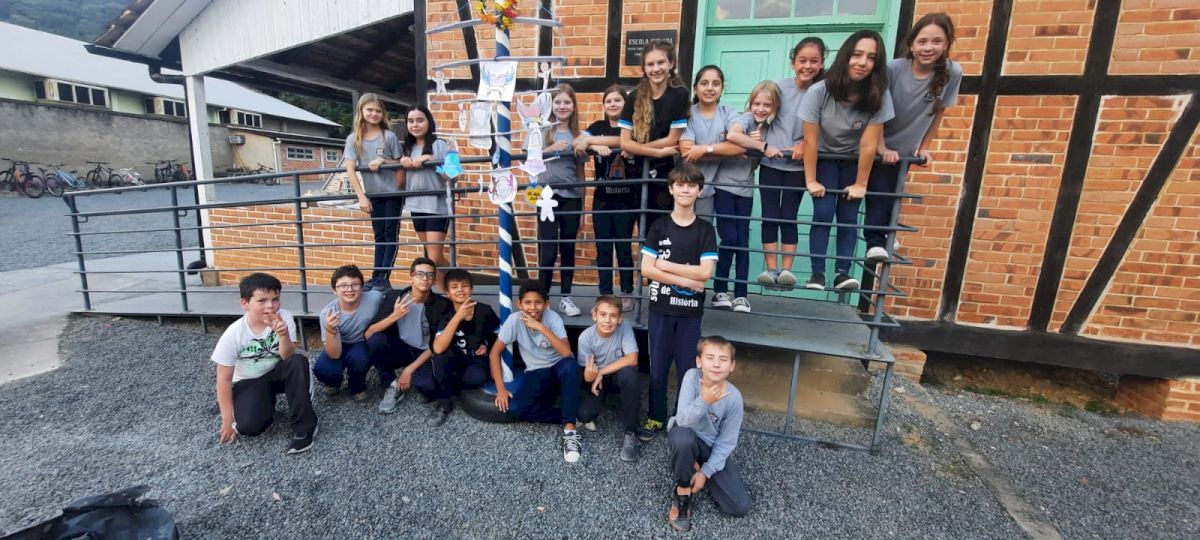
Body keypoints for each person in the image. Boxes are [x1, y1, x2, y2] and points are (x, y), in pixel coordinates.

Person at [799, 30, 895, 291]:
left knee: (849, 215)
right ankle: (817, 273)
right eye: (857, 55)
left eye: (871, 58)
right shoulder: (819, 91)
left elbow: (869, 143)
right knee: (823, 213)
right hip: (825, 157)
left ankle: (842, 273)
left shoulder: (879, 95)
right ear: (845, 56)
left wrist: (861, 184)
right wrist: (811, 180)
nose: (862, 62)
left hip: (854, 160)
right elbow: (810, 140)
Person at [868, 13, 962, 264]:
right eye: (922, 41)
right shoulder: (894, 69)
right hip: (878, 140)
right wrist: (881, 147)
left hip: (905, 147)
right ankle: (877, 239)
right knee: (879, 190)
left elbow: (939, 112)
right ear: (911, 44)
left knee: (892, 190)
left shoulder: (952, 72)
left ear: (946, 44)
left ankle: (885, 234)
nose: (928, 48)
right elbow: (877, 108)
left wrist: (924, 147)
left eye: (936, 41)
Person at [638, 163, 718, 441]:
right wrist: (688, 281)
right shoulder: (659, 227)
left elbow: (705, 273)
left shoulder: (705, 230)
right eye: (680, 185)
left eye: (691, 185)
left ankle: (682, 420)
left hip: (690, 313)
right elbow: (646, 270)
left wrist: (665, 265)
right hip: (661, 309)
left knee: (688, 371)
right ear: (671, 189)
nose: (685, 190)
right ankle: (655, 417)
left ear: (699, 191)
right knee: (658, 368)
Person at [211, 273, 317, 454]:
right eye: (262, 300)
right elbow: (223, 380)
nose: (270, 305)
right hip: (249, 382)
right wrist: (227, 421)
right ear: (245, 303)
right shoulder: (234, 333)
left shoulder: (284, 317)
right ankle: (264, 402)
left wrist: (283, 334)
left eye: (275, 299)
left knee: (298, 361)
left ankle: (305, 426)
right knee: (250, 427)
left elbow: (288, 356)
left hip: (277, 372)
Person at [679, 65, 752, 313]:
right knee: (685, 241)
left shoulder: (728, 112)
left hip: (710, 191)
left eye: (716, 83)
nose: (710, 88)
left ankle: (700, 290)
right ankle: (683, 291)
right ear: (695, 87)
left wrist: (705, 149)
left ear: (722, 88)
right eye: (704, 83)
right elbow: (687, 151)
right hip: (686, 187)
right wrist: (723, 148)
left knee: (704, 242)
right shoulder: (687, 114)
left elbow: (740, 146)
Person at [489, 281, 582, 463]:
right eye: (528, 302)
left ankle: (570, 429)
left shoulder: (553, 318)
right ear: (519, 304)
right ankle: (567, 414)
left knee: (570, 365)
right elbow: (494, 353)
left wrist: (541, 327)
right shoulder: (514, 320)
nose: (533, 307)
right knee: (515, 409)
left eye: (538, 302)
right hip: (536, 372)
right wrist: (501, 389)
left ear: (546, 304)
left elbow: (566, 353)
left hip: (559, 367)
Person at [666, 336, 749, 531]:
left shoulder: (734, 398)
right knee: (682, 438)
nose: (716, 364)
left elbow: (726, 443)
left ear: (732, 365)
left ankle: (696, 465)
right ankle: (683, 491)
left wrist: (706, 472)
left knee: (739, 506)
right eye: (710, 358)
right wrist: (704, 401)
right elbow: (682, 421)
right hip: (686, 434)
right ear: (699, 361)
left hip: (709, 448)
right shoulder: (692, 377)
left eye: (723, 359)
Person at [575, 85, 639, 312]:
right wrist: (594, 144)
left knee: (623, 247)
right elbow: (578, 142)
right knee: (603, 248)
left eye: (617, 100)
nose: (613, 104)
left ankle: (627, 292)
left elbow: (636, 143)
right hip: (602, 199)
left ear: (625, 103)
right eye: (608, 101)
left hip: (626, 199)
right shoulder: (598, 127)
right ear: (603, 105)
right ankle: (605, 294)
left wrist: (612, 144)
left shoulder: (631, 127)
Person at [365, 257, 452, 415]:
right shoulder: (395, 297)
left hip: (424, 352)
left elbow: (437, 344)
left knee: (429, 388)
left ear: (434, 281)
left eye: (430, 275)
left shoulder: (442, 305)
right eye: (420, 274)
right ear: (411, 277)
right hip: (401, 348)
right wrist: (394, 316)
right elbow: (368, 333)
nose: (424, 278)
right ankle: (391, 384)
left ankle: (415, 375)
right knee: (375, 341)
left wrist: (409, 370)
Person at [619, 40, 690, 230]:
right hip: (635, 173)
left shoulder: (679, 94)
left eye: (661, 62)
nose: (656, 69)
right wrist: (656, 152)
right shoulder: (633, 97)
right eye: (650, 64)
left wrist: (637, 149)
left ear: (671, 64)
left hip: (664, 174)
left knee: (659, 229)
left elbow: (672, 139)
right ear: (644, 68)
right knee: (635, 227)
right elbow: (624, 142)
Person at [536, 84, 588, 317]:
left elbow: (581, 174)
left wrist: (583, 209)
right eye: (557, 102)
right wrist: (551, 149)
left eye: (567, 102)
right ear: (551, 105)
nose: (562, 106)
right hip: (545, 197)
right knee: (548, 251)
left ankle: (566, 297)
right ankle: (543, 299)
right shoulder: (541, 131)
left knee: (568, 248)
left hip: (571, 199)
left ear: (574, 106)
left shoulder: (579, 136)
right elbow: (528, 160)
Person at [426, 268, 501, 426]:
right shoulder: (446, 313)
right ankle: (444, 403)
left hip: (476, 359)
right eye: (454, 287)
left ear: (471, 289)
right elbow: (438, 348)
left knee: (476, 378)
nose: (460, 290)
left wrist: (488, 346)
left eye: (464, 285)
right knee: (440, 357)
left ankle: (449, 386)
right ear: (448, 293)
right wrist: (458, 317)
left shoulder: (484, 310)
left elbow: (500, 336)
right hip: (455, 359)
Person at [346, 94, 404, 292]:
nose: (374, 114)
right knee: (379, 236)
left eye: (378, 110)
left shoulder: (389, 136)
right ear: (361, 111)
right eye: (370, 110)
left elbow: (400, 163)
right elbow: (350, 169)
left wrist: (383, 161)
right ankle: (375, 276)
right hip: (373, 194)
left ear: (383, 114)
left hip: (393, 193)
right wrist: (361, 196)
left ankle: (383, 277)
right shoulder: (354, 139)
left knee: (390, 234)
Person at [577, 295, 641, 462]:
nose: (607, 320)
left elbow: (632, 358)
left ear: (620, 318)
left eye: (613, 316)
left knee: (630, 374)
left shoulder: (624, 327)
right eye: (603, 315)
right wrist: (593, 374)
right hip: (596, 380)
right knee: (584, 414)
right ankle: (601, 403)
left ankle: (631, 431)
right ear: (594, 316)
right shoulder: (585, 338)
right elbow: (587, 376)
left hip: (616, 373)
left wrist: (602, 371)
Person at [312, 265, 385, 400]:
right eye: (343, 286)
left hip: (360, 342)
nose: (350, 289)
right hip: (338, 342)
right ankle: (333, 383)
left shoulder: (375, 298)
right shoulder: (327, 314)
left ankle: (357, 386)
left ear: (362, 287)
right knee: (323, 368)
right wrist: (331, 329)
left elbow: (389, 300)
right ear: (334, 290)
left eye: (355, 284)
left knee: (360, 359)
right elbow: (334, 353)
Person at [400, 105, 453, 289]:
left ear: (429, 122)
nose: (415, 125)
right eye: (411, 121)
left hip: (437, 206)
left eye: (420, 120)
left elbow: (454, 174)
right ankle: (446, 290)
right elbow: (400, 182)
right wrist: (401, 163)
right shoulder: (407, 148)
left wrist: (432, 161)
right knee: (432, 257)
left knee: (434, 258)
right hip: (415, 206)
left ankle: (453, 282)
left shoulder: (441, 144)